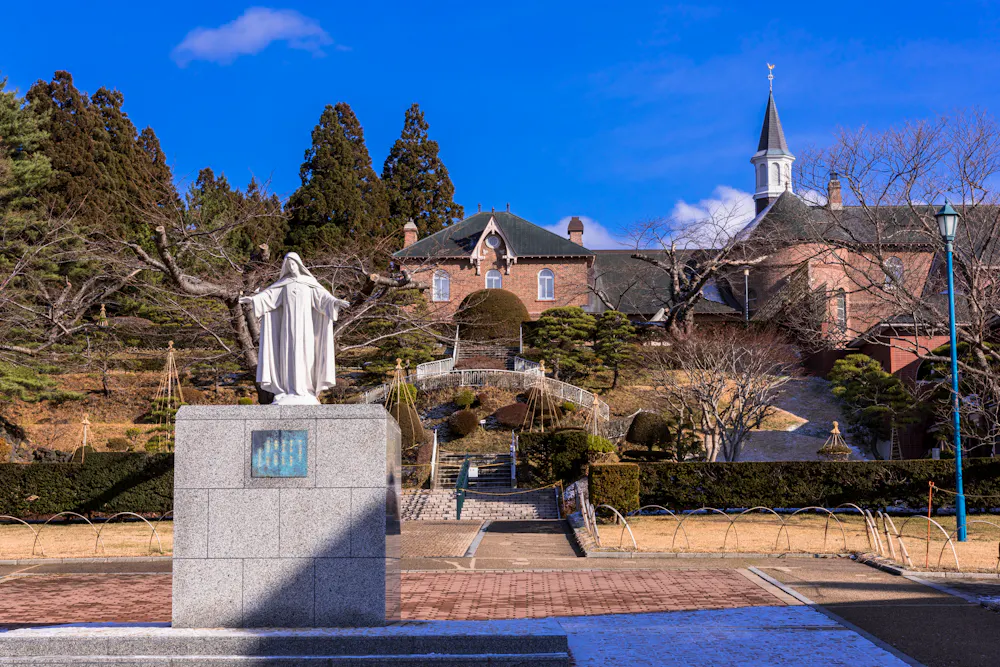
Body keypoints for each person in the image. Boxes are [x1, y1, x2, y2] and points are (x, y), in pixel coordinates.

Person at [239, 253, 349, 405]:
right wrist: (252, 299)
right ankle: (287, 390)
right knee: (287, 357)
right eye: (288, 264)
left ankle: (306, 390)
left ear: (299, 265)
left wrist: (336, 302)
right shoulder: (283, 284)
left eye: (293, 264)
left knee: (307, 355)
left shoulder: (309, 283)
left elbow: (323, 298)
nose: (291, 267)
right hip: (287, 329)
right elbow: (268, 297)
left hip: (306, 328)